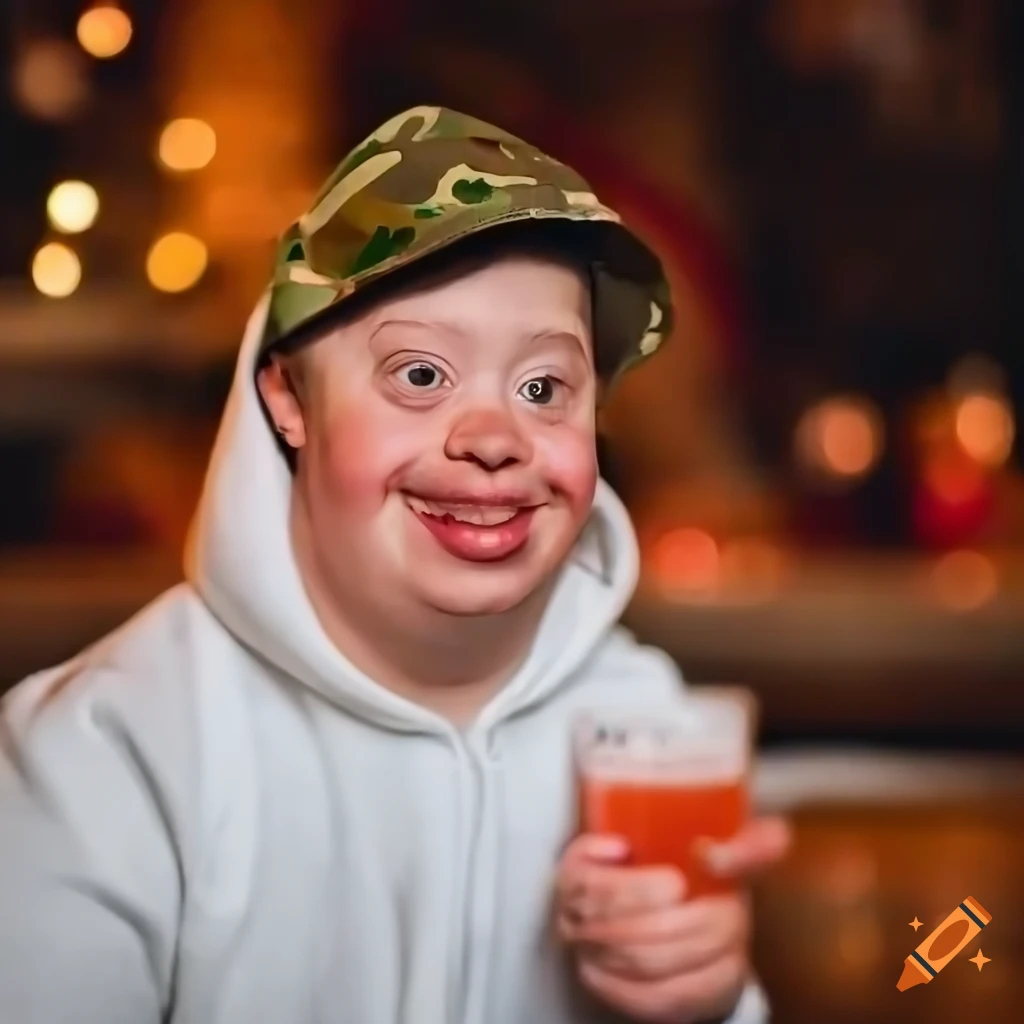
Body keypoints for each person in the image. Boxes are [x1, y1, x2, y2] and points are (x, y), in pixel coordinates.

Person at [0, 106, 789, 1024]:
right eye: (420, 375)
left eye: (544, 388)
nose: (496, 439)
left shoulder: (642, 730)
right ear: (289, 397)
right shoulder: (109, 752)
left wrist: (706, 997)